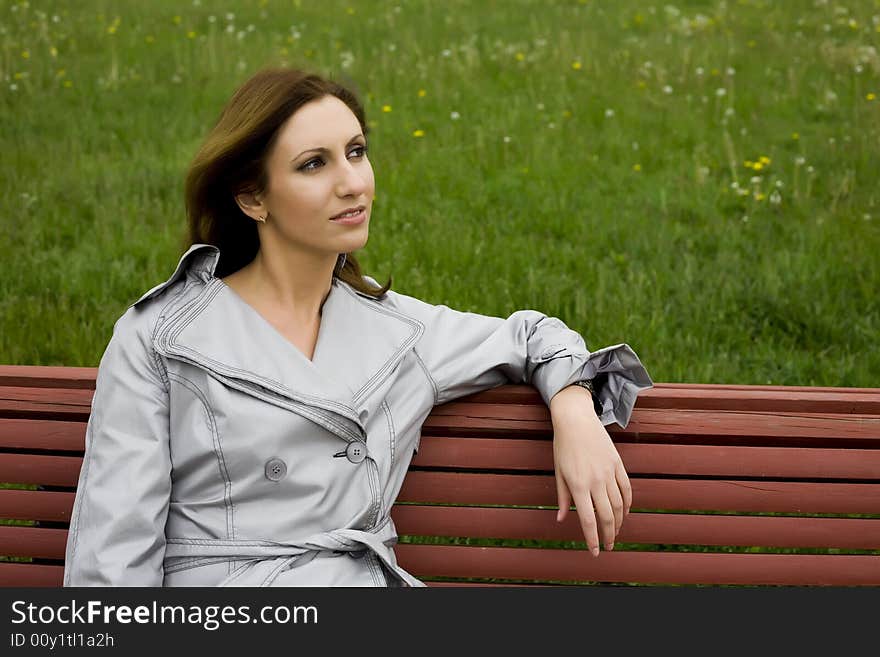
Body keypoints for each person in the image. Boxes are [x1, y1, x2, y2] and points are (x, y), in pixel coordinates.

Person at [63, 67, 654, 587]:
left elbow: (535, 336)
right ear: (252, 197)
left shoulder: (399, 334)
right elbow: (113, 555)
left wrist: (575, 410)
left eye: (356, 151)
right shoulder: (160, 338)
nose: (352, 183)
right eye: (313, 164)